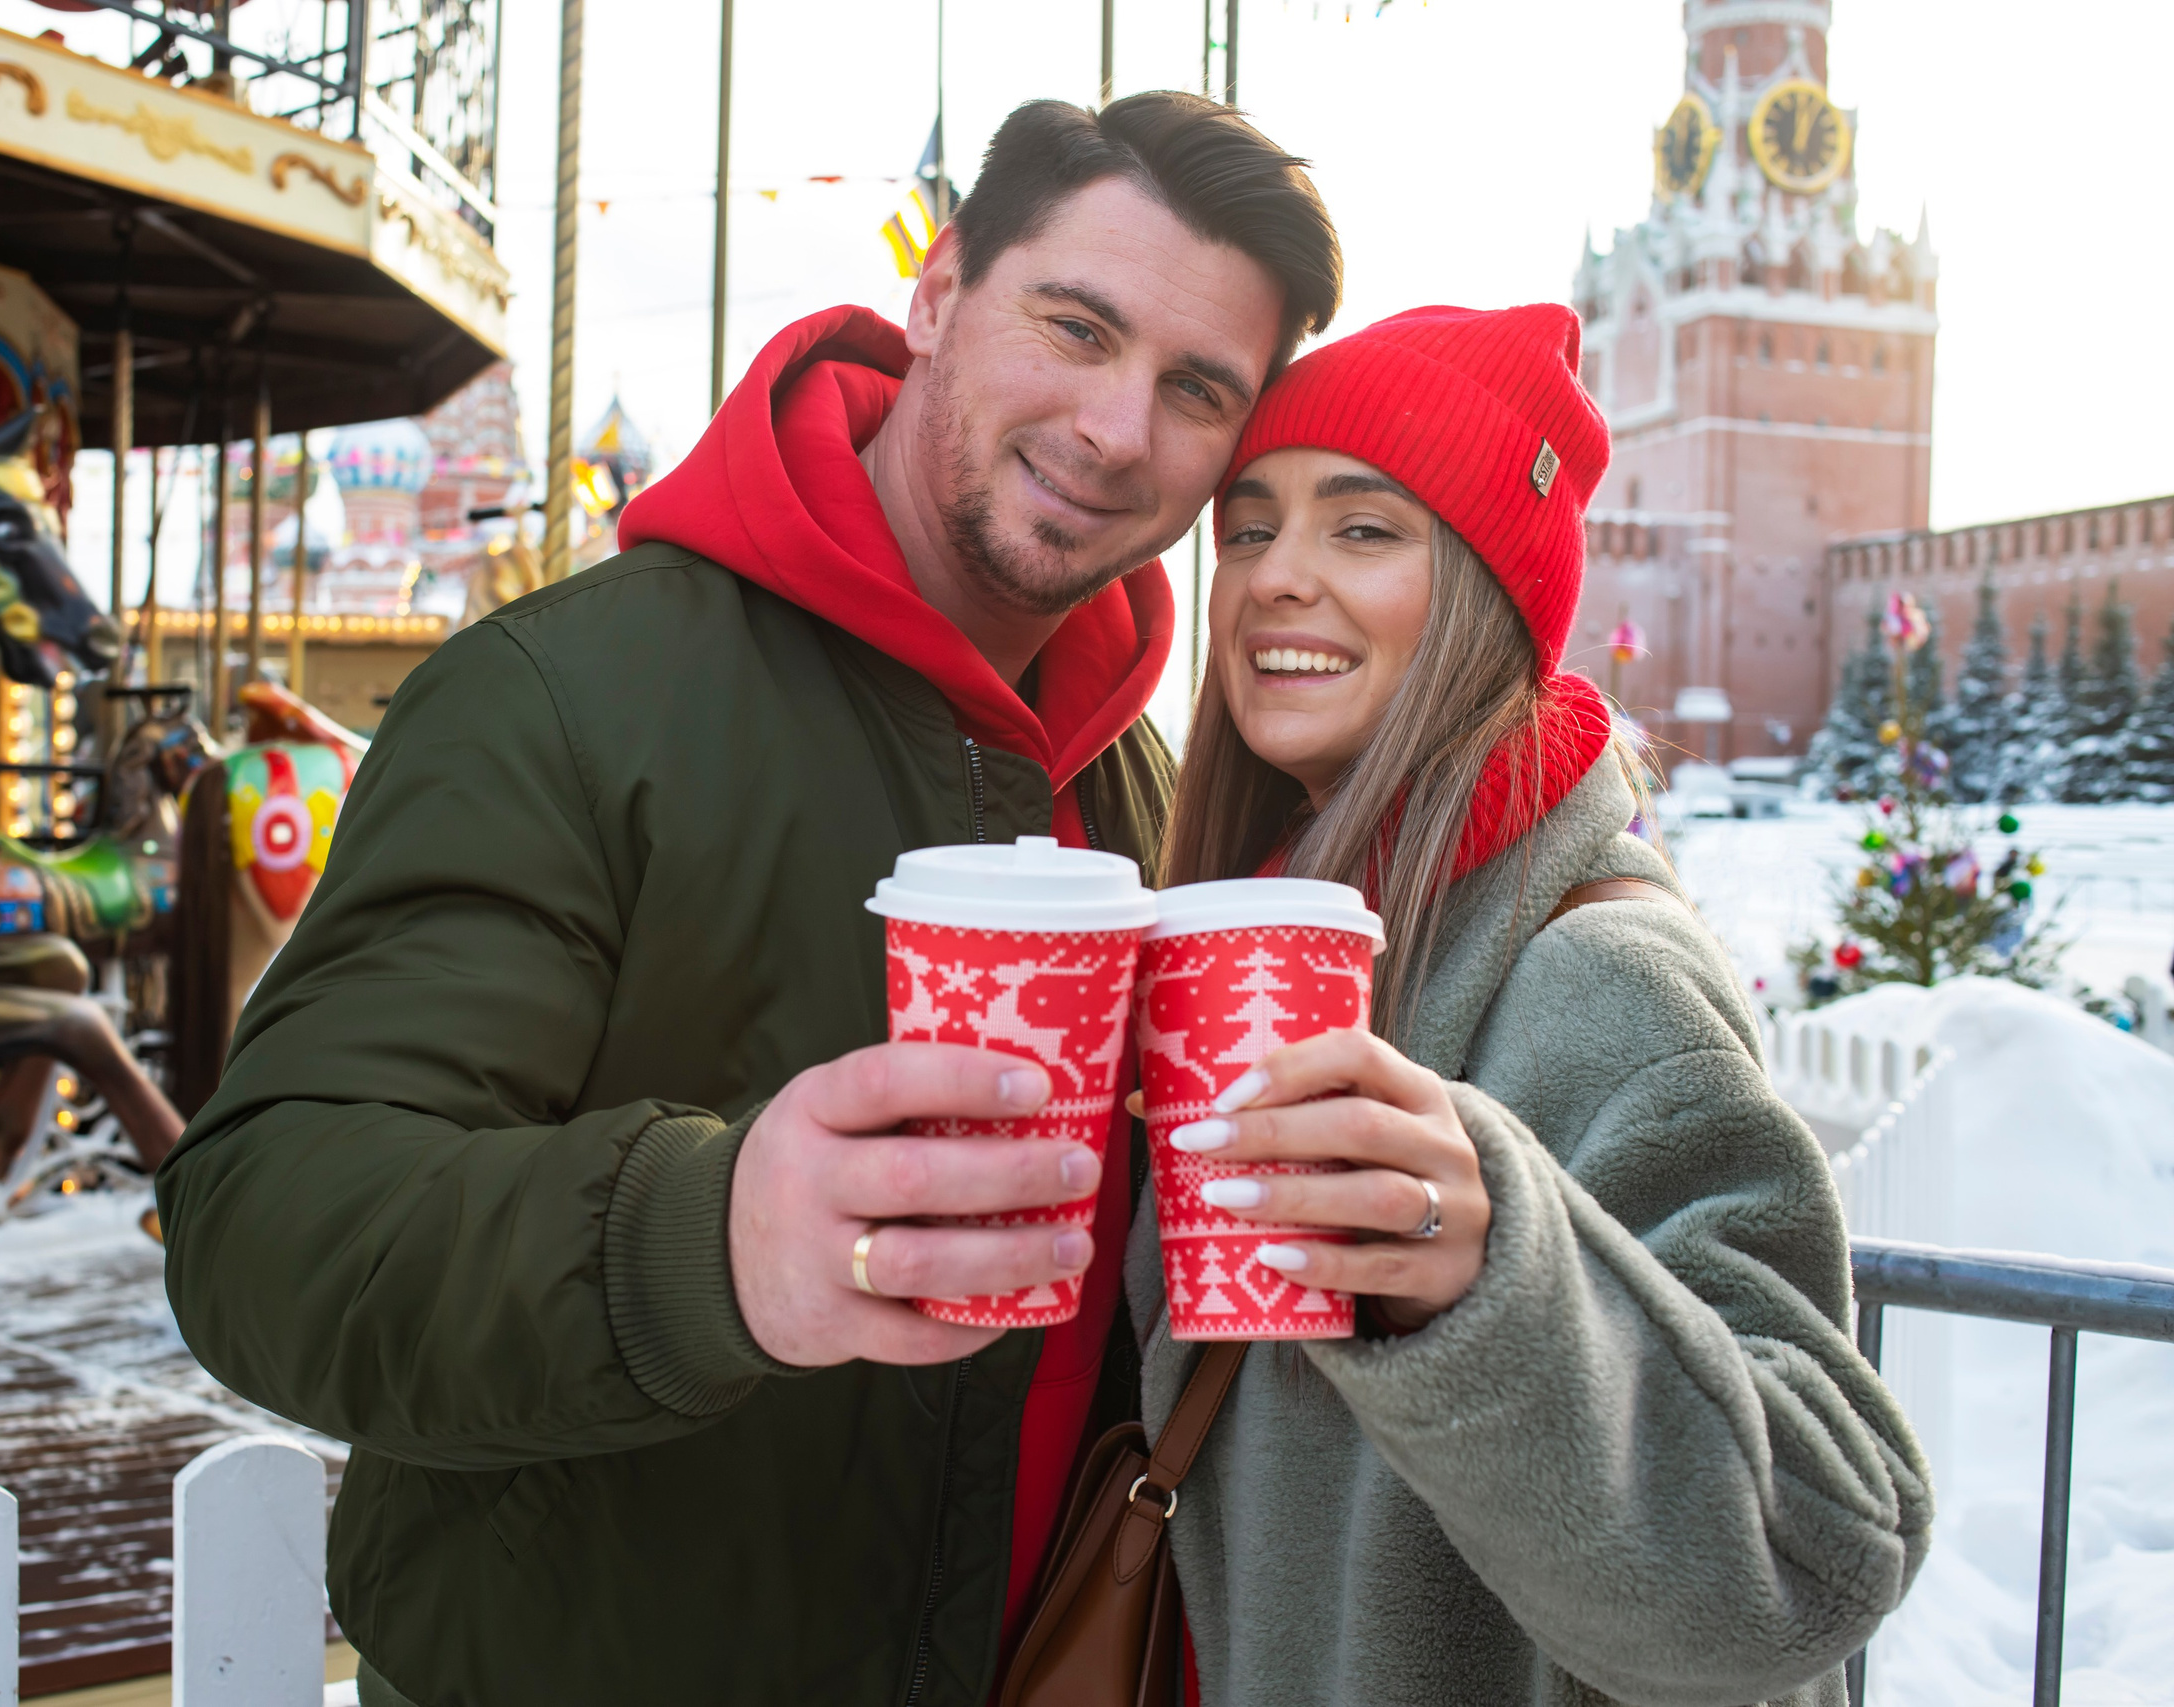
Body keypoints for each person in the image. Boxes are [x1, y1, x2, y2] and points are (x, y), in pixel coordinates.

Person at [156, 94, 1341, 1707]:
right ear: (934, 297)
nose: (1118, 428)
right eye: (1076, 326)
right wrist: (710, 1249)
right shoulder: (565, 701)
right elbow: (265, 1223)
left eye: (1196, 390)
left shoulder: (1144, 800)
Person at [1138, 302, 1932, 1705]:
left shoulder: (1600, 977)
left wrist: (1487, 1277)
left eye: (1364, 528)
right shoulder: (1288, 947)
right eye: (1250, 526)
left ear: (1488, 597)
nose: (1274, 577)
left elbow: (1811, 1547)